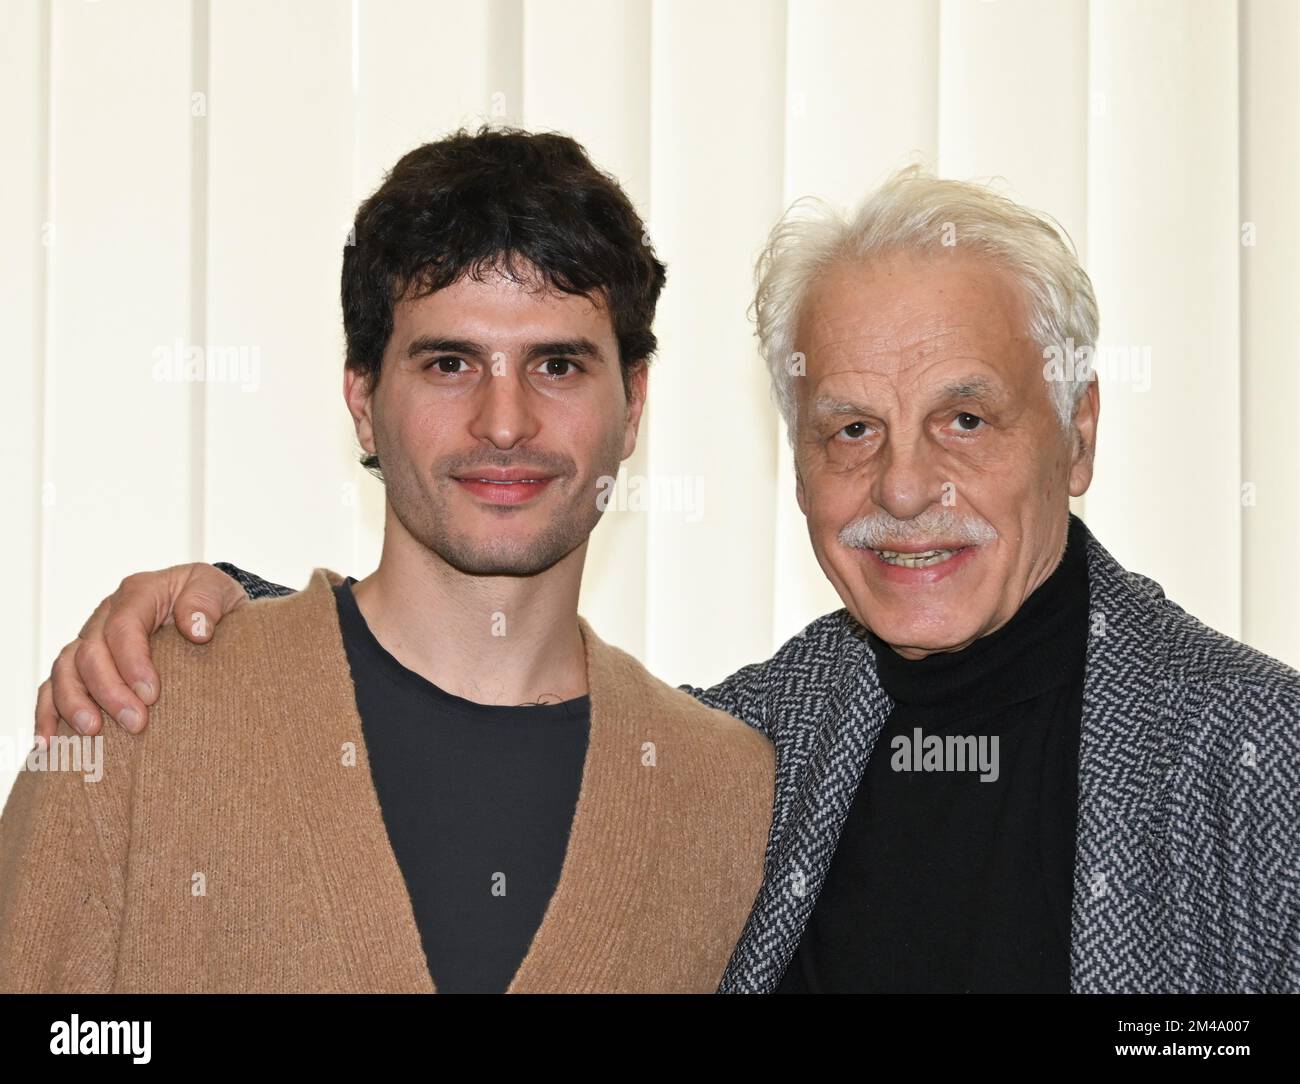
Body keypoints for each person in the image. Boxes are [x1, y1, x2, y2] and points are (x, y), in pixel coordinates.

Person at [29, 167, 1300, 994]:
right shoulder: (761, 742)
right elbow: (456, 694)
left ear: (1076, 433)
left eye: (965, 419)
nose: (905, 488)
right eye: (851, 428)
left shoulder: (1252, 760)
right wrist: (235, 621)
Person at [0, 127, 775, 994]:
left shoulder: (728, 793)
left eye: (557, 364)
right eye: (450, 363)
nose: (506, 421)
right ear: (363, 402)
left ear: (632, 407)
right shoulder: (138, 709)